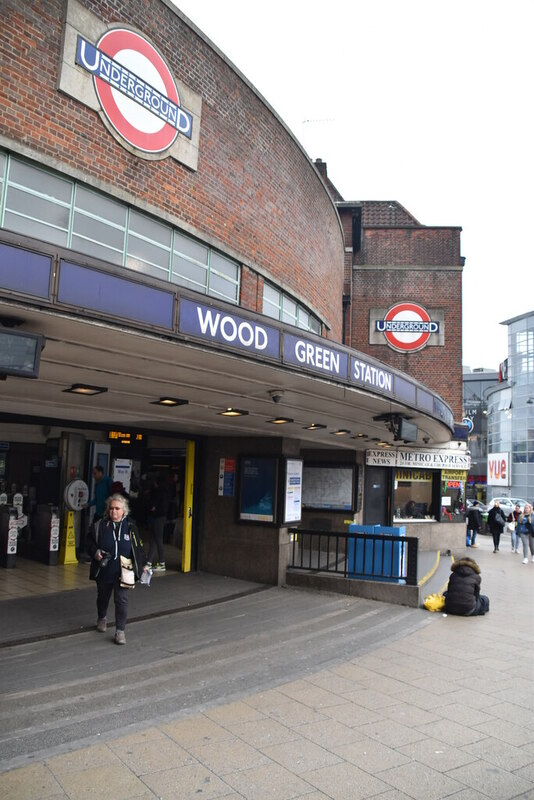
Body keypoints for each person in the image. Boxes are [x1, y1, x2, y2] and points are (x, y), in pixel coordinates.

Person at [87, 493, 148, 644]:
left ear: (124, 510)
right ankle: (102, 617)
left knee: (122, 600)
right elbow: (88, 542)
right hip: (105, 568)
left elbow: (138, 546)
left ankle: (120, 631)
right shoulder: (99, 525)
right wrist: (96, 552)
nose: (114, 511)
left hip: (125, 569)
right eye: (111, 508)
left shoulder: (131, 526)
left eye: (117, 508)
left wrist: (144, 564)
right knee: (103, 597)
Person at [146, 473, 172, 572]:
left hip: (157, 517)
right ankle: (149, 562)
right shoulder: (167, 491)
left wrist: (152, 508)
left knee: (157, 540)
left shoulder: (159, 492)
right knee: (154, 539)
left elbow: (153, 506)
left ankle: (162, 563)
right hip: (162, 517)